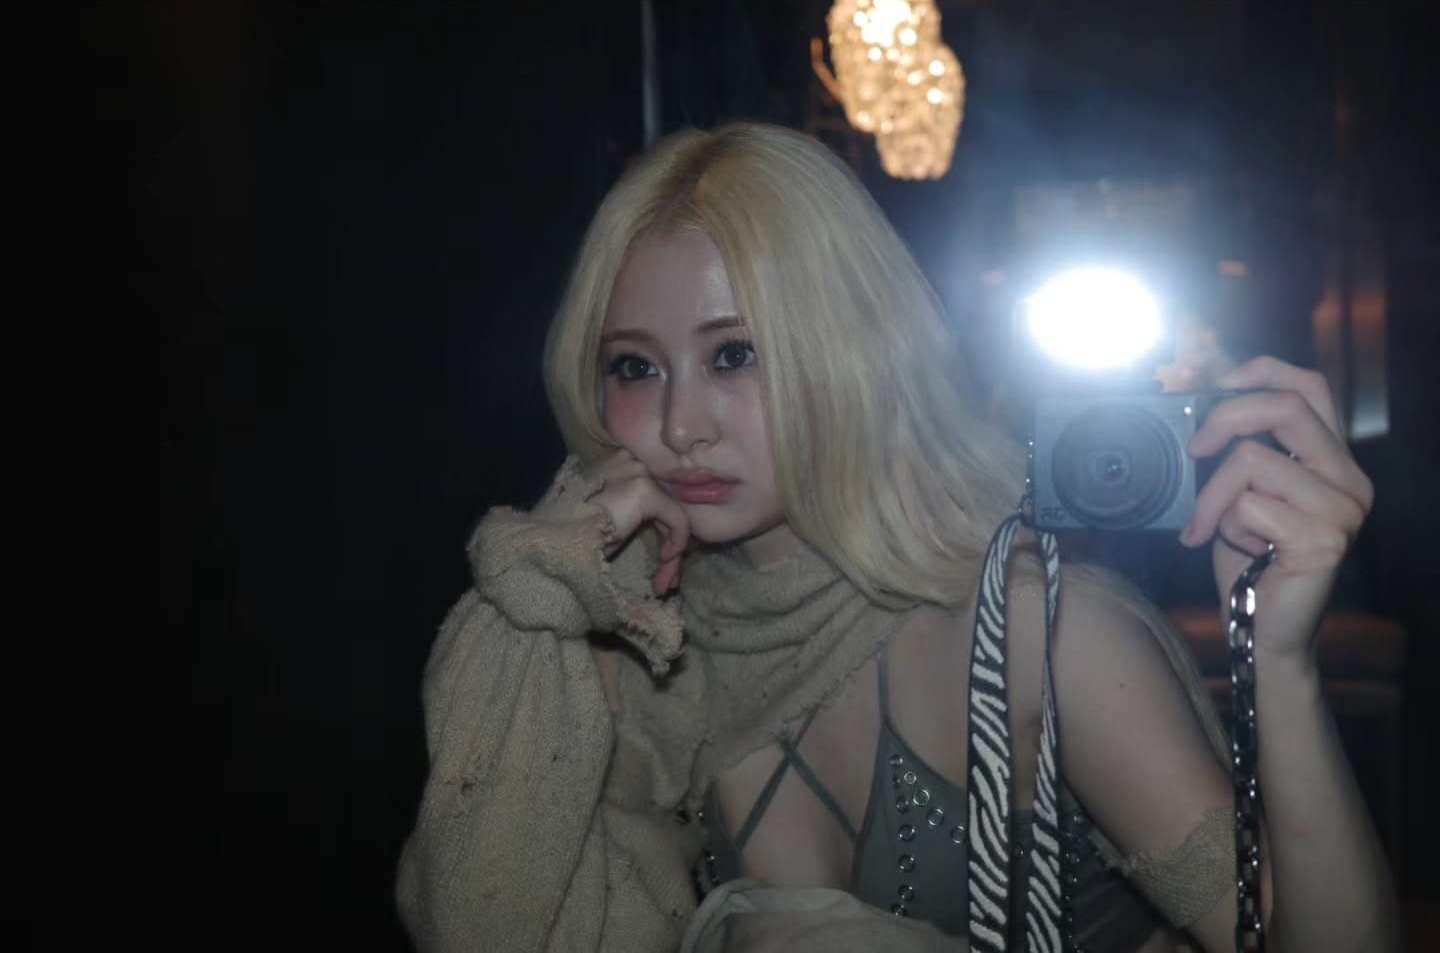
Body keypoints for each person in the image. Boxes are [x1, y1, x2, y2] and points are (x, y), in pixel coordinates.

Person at [395, 123, 1397, 952]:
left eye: (735, 353)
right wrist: (545, 582)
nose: (680, 423)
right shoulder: (618, 647)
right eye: (634, 367)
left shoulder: (1037, 634)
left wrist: (1283, 666)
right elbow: (482, 918)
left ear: (855, 353)